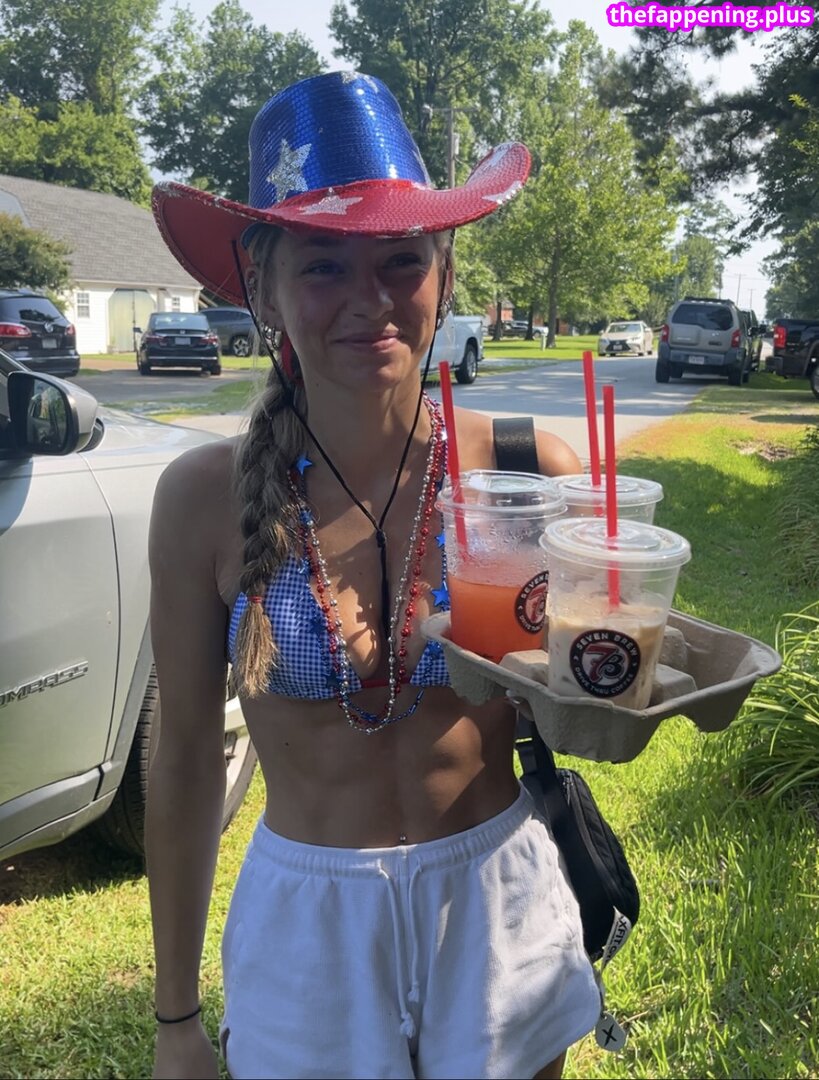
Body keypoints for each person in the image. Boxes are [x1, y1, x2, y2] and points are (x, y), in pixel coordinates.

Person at [147, 71, 599, 1080]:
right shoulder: (203, 500)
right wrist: (177, 1019)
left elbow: (585, 688)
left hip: (496, 907)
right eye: (323, 267)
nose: (371, 302)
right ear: (263, 286)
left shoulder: (528, 470)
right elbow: (183, 761)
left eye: (402, 260)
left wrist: (623, 683)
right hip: (310, 927)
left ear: (445, 272)